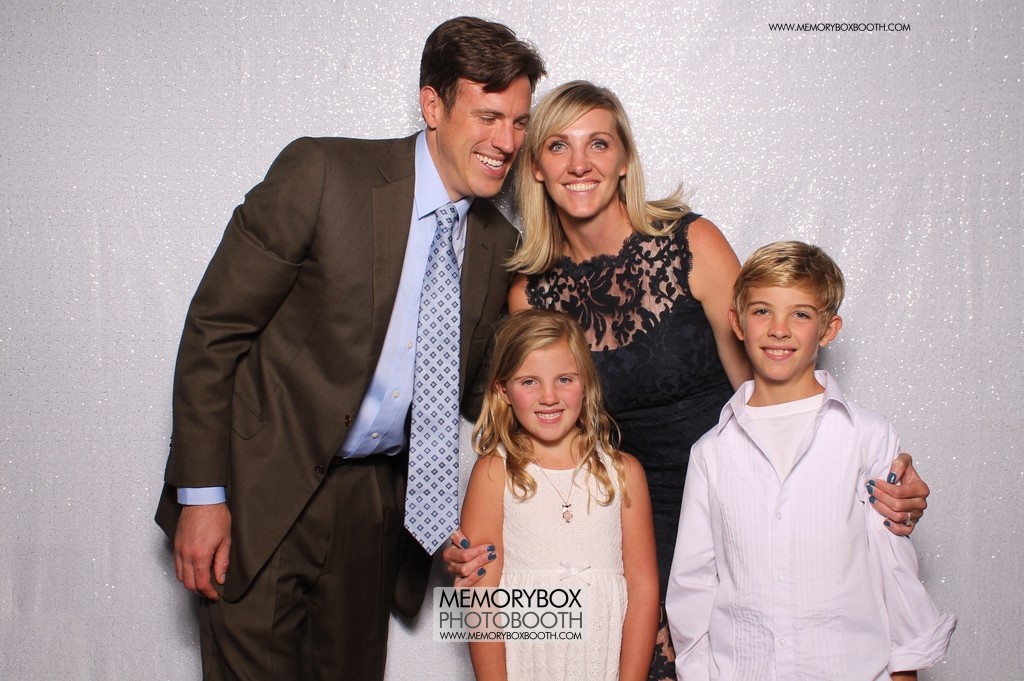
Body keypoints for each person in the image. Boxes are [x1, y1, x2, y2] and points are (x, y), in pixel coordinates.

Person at [446, 81, 932, 680]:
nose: (579, 164)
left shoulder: (691, 244)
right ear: (536, 169)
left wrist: (868, 469)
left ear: (624, 161)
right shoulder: (530, 293)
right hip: (615, 518)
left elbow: (775, 385)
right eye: (558, 146)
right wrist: (480, 541)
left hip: (729, 507)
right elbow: (531, 433)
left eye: (598, 144)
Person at [154, 17, 545, 680]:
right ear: (432, 105)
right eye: (487, 117)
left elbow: (483, 395)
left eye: (518, 122)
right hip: (260, 494)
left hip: (373, 508)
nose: (505, 142)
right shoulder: (323, 174)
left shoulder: (497, 245)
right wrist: (201, 496)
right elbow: (215, 330)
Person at [666, 241, 956, 680]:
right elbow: (694, 583)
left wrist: (905, 671)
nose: (779, 329)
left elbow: (892, 567)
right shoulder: (711, 452)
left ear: (828, 329)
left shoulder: (868, 437)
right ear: (737, 322)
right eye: (762, 311)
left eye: (800, 314)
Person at [461, 309, 659, 680]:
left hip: (603, 663)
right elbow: (478, 596)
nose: (549, 397)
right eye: (529, 382)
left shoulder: (624, 473)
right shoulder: (493, 473)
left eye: (564, 379)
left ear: (586, 383)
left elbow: (644, 589)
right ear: (503, 391)